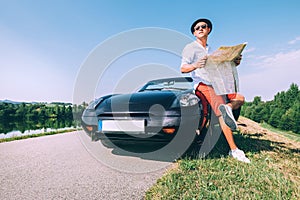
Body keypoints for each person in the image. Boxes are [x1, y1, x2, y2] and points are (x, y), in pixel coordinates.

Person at [180, 18, 250, 163]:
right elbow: (183, 68)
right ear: (194, 33)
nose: (199, 29)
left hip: (218, 84)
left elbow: (221, 69)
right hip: (202, 84)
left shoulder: (212, 50)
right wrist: (196, 65)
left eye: (203, 26)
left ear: (208, 30)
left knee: (240, 98)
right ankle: (234, 150)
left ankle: (228, 108)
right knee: (219, 109)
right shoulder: (190, 48)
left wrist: (234, 62)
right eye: (196, 28)